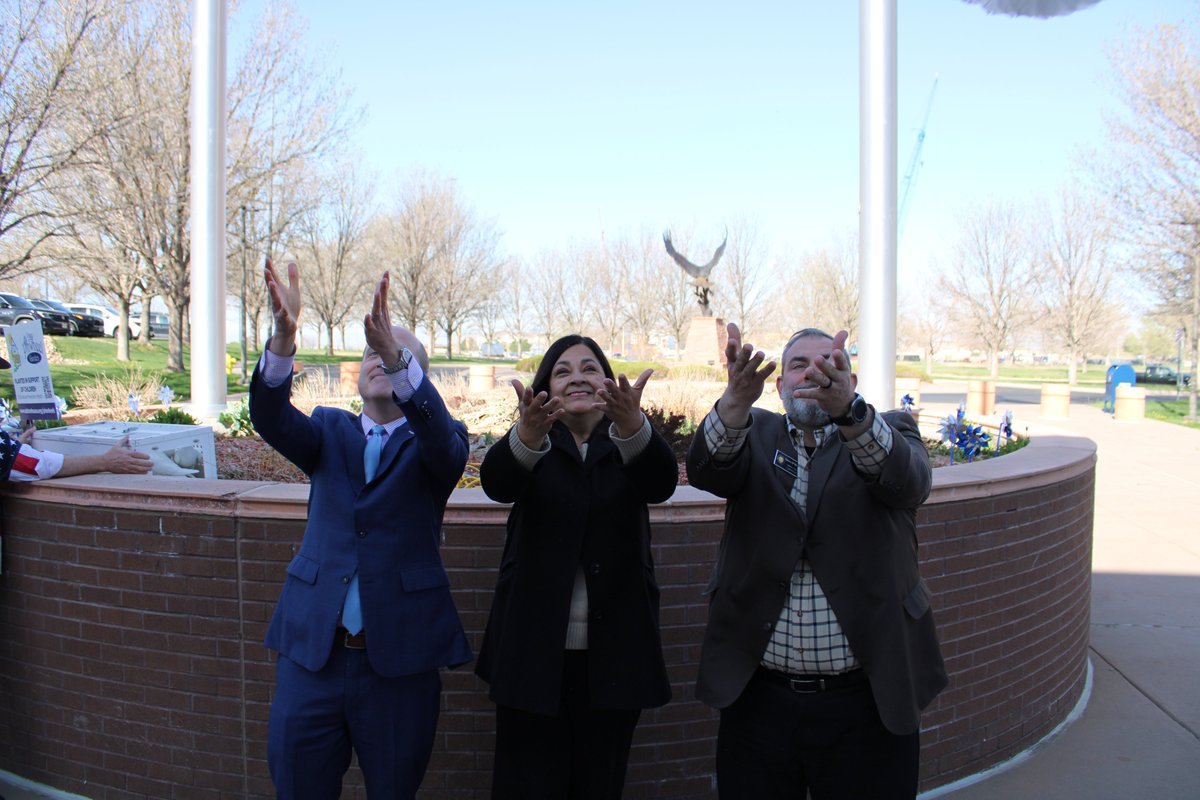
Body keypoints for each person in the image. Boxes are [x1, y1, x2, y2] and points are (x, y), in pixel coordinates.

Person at [686, 323, 947, 800]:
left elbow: (909, 484)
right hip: (759, 701)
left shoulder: (889, 429)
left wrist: (849, 412)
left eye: (826, 362)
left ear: (849, 377)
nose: (812, 372)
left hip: (867, 700)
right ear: (780, 385)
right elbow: (706, 469)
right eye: (798, 365)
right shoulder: (754, 432)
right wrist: (736, 401)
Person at [251, 259, 471, 799]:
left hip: (398, 663)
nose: (381, 359)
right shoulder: (328, 429)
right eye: (373, 351)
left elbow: (442, 442)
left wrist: (398, 359)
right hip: (313, 657)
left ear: (416, 378)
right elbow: (269, 417)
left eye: (398, 357)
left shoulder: (439, 442)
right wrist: (283, 338)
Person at [475, 334, 676, 799]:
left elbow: (661, 482)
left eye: (589, 368)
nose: (577, 378)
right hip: (531, 657)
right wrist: (527, 435)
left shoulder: (627, 440)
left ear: (606, 382)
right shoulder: (535, 440)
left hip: (615, 659)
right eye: (563, 371)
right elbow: (497, 484)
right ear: (546, 387)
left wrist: (634, 426)